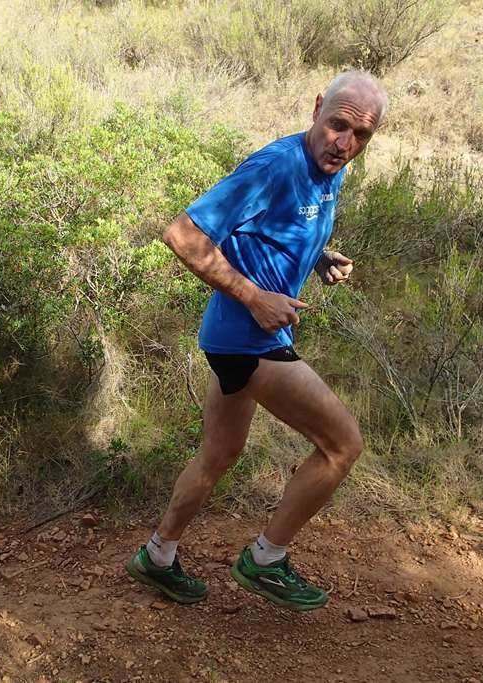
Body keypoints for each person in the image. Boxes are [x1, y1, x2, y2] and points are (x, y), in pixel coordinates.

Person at [124, 70, 389, 611]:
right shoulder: (276, 166)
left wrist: (317, 257)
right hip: (248, 339)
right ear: (317, 108)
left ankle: (157, 556)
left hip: (234, 336)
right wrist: (254, 297)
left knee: (218, 454)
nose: (345, 143)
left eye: (361, 135)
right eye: (338, 125)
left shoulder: (329, 169)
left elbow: (276, 228)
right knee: (342, 445)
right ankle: (266, 559)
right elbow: (183, 235)